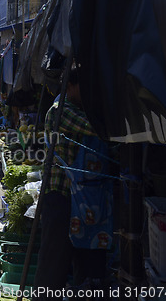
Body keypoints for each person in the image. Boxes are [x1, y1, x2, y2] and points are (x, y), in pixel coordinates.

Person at [33, 64, 113, 300]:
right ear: (69, 86)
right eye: (83, 87)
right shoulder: (61, 111)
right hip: (60, 195)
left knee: (82, 260)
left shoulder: (76, 108)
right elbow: (96, 130)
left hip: (80, 199)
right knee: (54, 261)